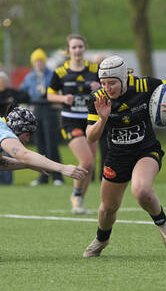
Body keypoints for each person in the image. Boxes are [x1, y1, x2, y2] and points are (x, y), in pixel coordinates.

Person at [82, 55, 166, 258]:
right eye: (103, 83)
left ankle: (162, 222)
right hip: (117, 156)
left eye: (112, 82)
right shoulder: (98, 98)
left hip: (146, 150)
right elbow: (90, 137)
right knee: (107, 208)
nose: (107, 87)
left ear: (124, 78)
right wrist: (102, 119)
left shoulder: (144, 85)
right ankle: (102, 239)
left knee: (141, 190)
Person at [0, 104, 87, 262]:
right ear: (18, 127)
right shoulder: (0, 131)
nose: (27, 139)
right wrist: (62, 168)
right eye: (27, 133)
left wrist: (30, 165)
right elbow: (23, 154)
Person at [47, 35, 100, 214]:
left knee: (90, 165)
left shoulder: (95, 69)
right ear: (68, 51)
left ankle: (79, 202)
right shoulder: (60, 72)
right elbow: (50, 95)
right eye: (74, 47)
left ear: (85, 48)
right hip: (70, 120)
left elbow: (108, 90)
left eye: (80, 47)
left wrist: (99, 88)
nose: (77, 50)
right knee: (86, 160)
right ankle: (76, 195)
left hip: (91, 120)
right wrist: (63, 98)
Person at [20, 48, 64, 187]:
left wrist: (58, 102)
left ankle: (57, 176)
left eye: (41, 61)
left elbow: (60, 90)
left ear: (44, 62)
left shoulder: (52, 74)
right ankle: (43, 176)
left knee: (51, 143)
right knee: (39, 143)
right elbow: (22, 92)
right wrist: (28, 105)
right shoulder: (30, 77)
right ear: (33, 63)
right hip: (36, 111)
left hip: (49, 110)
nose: (39, 63)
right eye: (36, 61)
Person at [0, 70, 30, 185]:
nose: (1, 83)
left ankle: (8, 181)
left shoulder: (11, 92)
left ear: (6, 82)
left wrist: (13, 101)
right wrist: (8, 101)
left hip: (9, 127)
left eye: (3, 81)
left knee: (9, 152)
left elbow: (25, 96)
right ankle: (0, 181)